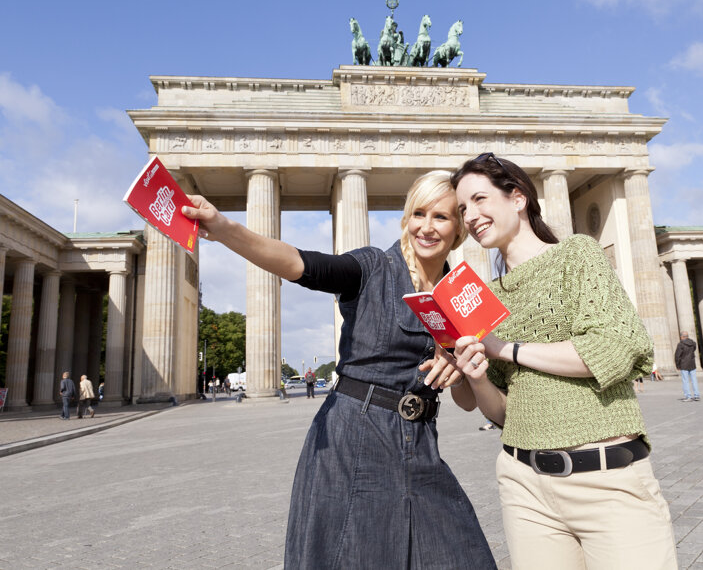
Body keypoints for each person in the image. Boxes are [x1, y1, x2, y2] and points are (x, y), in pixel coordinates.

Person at [182, 171, 495, 569]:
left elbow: (467, 403)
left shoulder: (462, 297)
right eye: (419, 213)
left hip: (420, 442)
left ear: (458, 231)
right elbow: (302, 264)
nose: (427, 227)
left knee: (460, 555)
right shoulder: (373, 267)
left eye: (441, 217)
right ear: (406, 218)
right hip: (356, 435)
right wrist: (225, 228)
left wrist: (463, 366)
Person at [448, 153, 677, 569]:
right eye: (463, 208)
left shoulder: (577, 254)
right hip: (524, 486)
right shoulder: (487, 296)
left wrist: (503, 348)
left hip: (607, 482)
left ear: (517, 197)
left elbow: (614, 348)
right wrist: (476, 376)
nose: (471, 215)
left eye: (480, 199)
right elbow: (502, 413)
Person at [675, 331, 700, 402]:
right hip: (692, 363)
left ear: (681, 337)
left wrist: (677, 365)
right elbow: (694, 350)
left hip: (684, 364)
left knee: (685, 381)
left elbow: (677, 355)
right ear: (687, 336)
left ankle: (688, 396)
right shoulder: (693, 343)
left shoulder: (680, 344)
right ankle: (696, 395)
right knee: (694, 380)